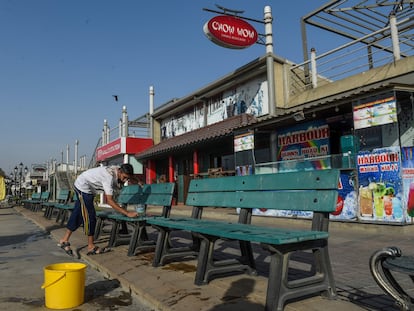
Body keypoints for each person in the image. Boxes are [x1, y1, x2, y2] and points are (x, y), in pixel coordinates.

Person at [58, 163, 138, 256]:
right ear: (120, 172)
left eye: (127, 178)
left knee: (78, 214)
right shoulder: (108, 177)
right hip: (83, 188)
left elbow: (129, 175)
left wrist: (138, 181)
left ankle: (64, 240)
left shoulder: (117, 168)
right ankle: (91, 246)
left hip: (83, 186)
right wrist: (127, 213)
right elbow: (110, 201)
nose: (125, 181)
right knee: (90, 217)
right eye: (124, 178)